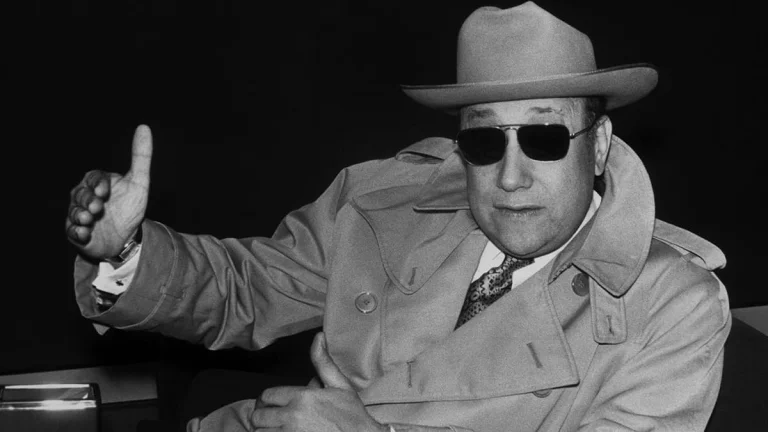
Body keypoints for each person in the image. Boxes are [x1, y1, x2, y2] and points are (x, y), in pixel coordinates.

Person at [65, 2, 731, 431]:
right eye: (483, 140)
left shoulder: (671, 306)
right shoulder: (383, 204)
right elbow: (246, 289)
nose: (510, 176)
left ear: (600, 145)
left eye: (545, 138)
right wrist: (125, 254)